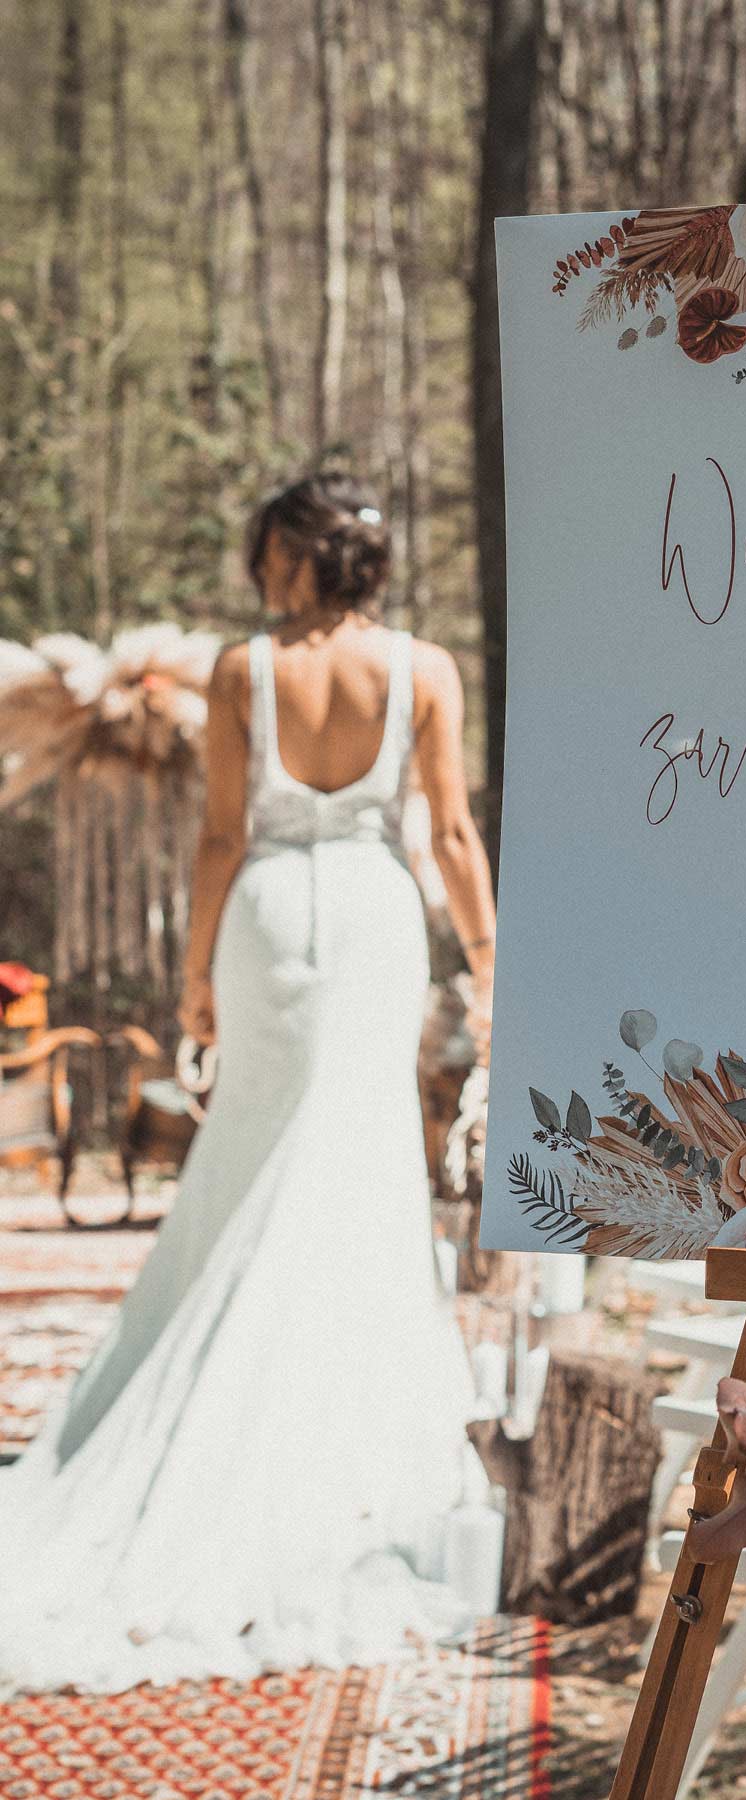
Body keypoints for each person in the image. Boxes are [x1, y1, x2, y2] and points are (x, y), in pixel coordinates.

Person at [0, 472, 499, 1695]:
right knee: (359, 1162)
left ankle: (218, 1408)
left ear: (293, 560)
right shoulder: (424, 670)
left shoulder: (240, 671)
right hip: (378, 920)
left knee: (259, 1161)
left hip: (270, 920)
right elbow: (447, 835)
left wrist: (194, 985)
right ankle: (338, 1432)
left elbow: (219, 836)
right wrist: (490, 963)